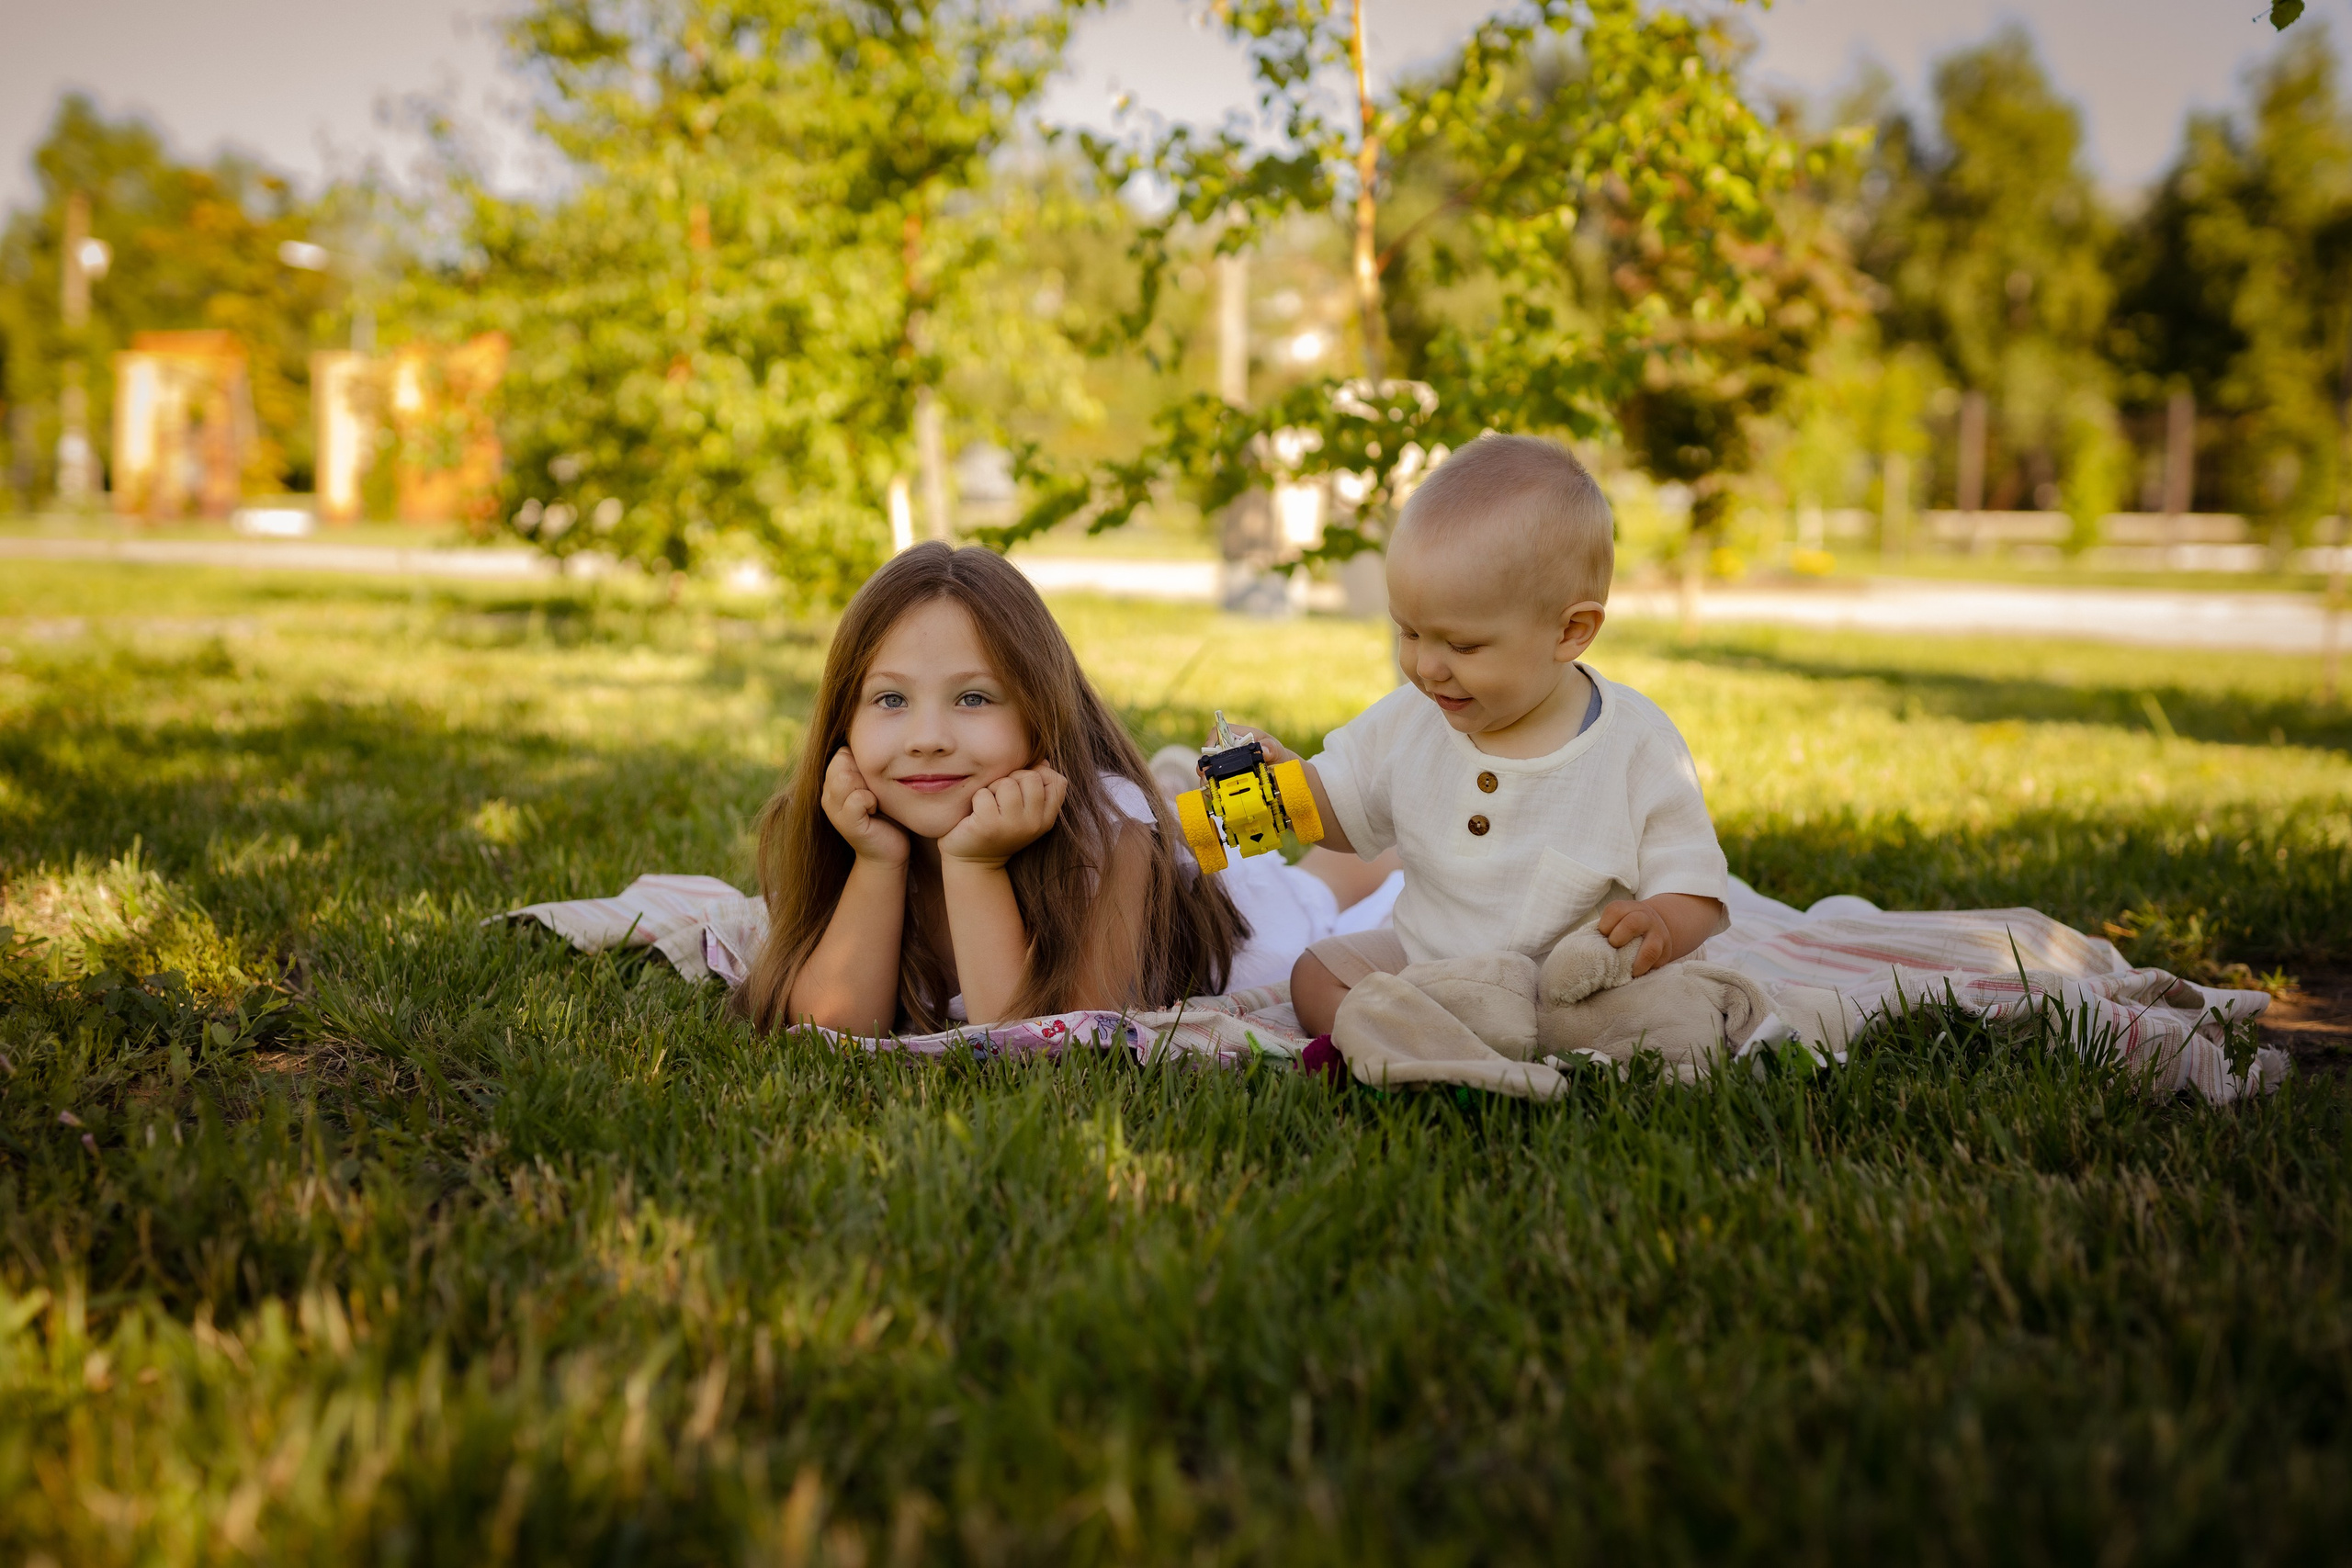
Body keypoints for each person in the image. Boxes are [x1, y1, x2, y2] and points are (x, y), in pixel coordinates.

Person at [1232, 434, 1733, 1038]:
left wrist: (1659, 923)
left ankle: (1437, 1045)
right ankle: (1414, 1046)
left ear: (1571, 631)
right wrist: (1287, 787)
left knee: (1667, 1016)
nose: (1426, 667)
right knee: (1316, 975)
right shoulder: (1409, 721)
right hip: (1431, 967)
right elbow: (1344, 808)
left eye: (1463, 645)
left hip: (1568, 991)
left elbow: (1696, 887)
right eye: (1409, 632)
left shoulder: (1634, 746)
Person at [737, 542, 1249, 1035]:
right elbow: (829, 1022)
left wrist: (975, 867)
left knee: (1320, 880)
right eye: (891, 699)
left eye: (974, 698)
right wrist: (878, 862)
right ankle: (1174, 782)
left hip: (1253, 901)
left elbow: (1053, 1045)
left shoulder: (1113, 839)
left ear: (1041, 711)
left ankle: (1184, 795)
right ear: (843, 722)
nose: (928, 740)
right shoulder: (852, 827)